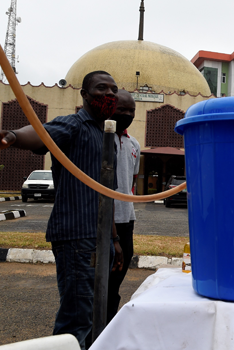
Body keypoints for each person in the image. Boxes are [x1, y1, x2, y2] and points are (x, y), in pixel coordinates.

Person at [0, 70, 123, 350]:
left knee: (93, 315)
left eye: (114, 89)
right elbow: (42, 134)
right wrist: (11, 136)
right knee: (76, 319)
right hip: (76, 238)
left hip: (98, 238)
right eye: (102, 88)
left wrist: (113, 239)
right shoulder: (75, 126)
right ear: (85, 95)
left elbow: (107, 196)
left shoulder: (106, 134)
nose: (110, 94)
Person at [107, 90, 141, 323]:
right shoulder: (100, 139)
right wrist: (114, 238)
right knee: (102, 279)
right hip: (105, 223)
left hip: (126, 220)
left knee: (116, 280)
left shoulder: (134, 144)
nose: (127, 115)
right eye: (122, 110)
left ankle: (108, 323)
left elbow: (132, 182)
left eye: (132, 111)